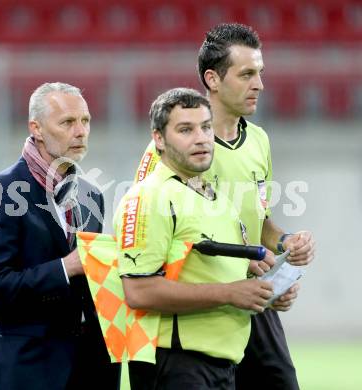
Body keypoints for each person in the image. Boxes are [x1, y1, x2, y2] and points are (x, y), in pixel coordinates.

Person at [135, 23, 315, 389]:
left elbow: (257, 219)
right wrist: (242, 261)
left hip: (250, 297)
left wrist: (284, 244)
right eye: (247, 74)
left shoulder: (259, 141)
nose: (259, 84)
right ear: (213, 80)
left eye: (260, 73)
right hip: (199, 307)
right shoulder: (174, 151)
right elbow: (150, 230)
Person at [115, 87, 275, 390]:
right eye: (185, 129)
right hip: (176, 364)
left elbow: (205, 265)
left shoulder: (215, 197)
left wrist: (265, 289)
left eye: (206, 126)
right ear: (159, 139)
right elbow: (138, 291)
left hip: (222, 365)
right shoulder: (149, 197)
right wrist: (229, 293)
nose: (201, 138)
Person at [0, 82, 120, 390]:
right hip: (26, 371)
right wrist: (66, 267)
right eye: (67, 122)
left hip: (90, 369)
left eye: (85, 121)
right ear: (36, 128)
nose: (80, 131)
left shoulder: (92, 195)